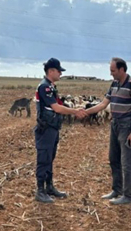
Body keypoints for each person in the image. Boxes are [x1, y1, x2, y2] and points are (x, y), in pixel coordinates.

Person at [86, 57, 131, 205]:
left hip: (126, 126)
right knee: (114, 159)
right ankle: (116, 190)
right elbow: (104, 104)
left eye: (113, 70)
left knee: (127, 162)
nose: (111, 73)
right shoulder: (114, 83)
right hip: (115, 124)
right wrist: (85, 111)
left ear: (122, 69)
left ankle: (129, 196)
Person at [34, 58, 87, 203]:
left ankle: (49, 187)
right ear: (51, 71)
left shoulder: (51, 87)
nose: (60, 74)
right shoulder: (44, 87)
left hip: (53, 127)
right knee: (44, 158)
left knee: (50, 158)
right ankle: (40, 191)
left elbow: (57, 106)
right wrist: (74, 111)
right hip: (46, 129)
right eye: (59, 71)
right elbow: (56, 108)